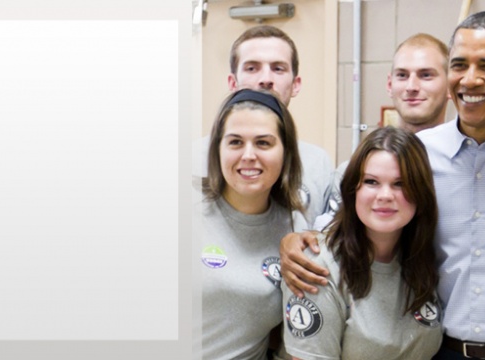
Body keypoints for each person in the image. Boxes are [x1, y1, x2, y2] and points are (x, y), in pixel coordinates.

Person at [283, 12, 485, 360]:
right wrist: (294, 241)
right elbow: (352, 215)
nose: (470, 80)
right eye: (459, 65)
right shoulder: (418, 154)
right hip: (441, 348)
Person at [282, 126, 442, 359]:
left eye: (400, 183)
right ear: (352, 190)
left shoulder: (422, 259)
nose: (385, 195)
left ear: (421, 193)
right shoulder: (317, 267)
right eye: (371, 182)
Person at [200, 89, 307, 360]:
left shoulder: (294, 226)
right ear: (217, 149)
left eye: (263, 143)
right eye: (235, 142)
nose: (248, 155)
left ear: (286, 152)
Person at [193, 25, 334, 224]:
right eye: (252, 68)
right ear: (233, 83)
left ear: (296, 84)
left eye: (278, 69)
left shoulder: (318, 164)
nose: (266, 80)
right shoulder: (191, 159)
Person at [314, 33, 450, 229]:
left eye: (426, 75)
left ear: (450, 86)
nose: (411, 86)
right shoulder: (355, 171)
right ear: (389, 84)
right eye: (402, 75)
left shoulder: (463, 169)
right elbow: (328, 238)